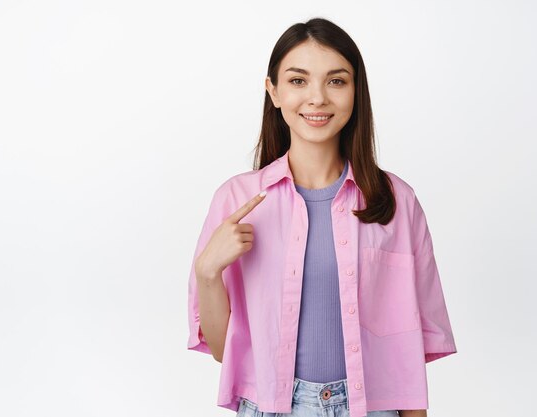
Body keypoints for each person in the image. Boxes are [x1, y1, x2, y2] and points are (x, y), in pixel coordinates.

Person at [186, 17, 457, 417]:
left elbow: (411, 353)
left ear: (355, 92)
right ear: (273, 91)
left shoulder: (396, 201)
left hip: (371, 408)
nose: (317, 98)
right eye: (298, 81)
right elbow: (228, 353)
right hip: (269, 408)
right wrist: (208, 271)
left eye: (336, 81)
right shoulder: (237, 199)